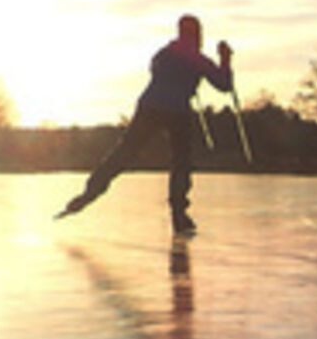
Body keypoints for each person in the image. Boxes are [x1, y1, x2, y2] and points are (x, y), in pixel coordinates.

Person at [59, 15, 233, 235]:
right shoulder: (198, 59)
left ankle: (89, 193)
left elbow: (154, 69)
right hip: (177, 110)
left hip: (150, 106)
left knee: (125, 152)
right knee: (181, 161)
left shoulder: (164, 53)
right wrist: (225, 59)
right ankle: (179, 214)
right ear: (198, 35)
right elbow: (224, 85)